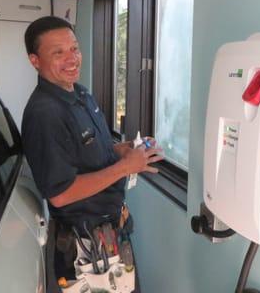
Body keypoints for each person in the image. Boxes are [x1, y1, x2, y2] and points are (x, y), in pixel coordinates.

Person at [21, 16, 162, 273]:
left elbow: (93, 148)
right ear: (35, 61)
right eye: (58, 53)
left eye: (74, 48)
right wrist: (124, 168)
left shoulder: (81, 93)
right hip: (84, 247)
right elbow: (60, 194)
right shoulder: (46, 114)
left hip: (110, 233)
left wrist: (125, 149)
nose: (72, 59)